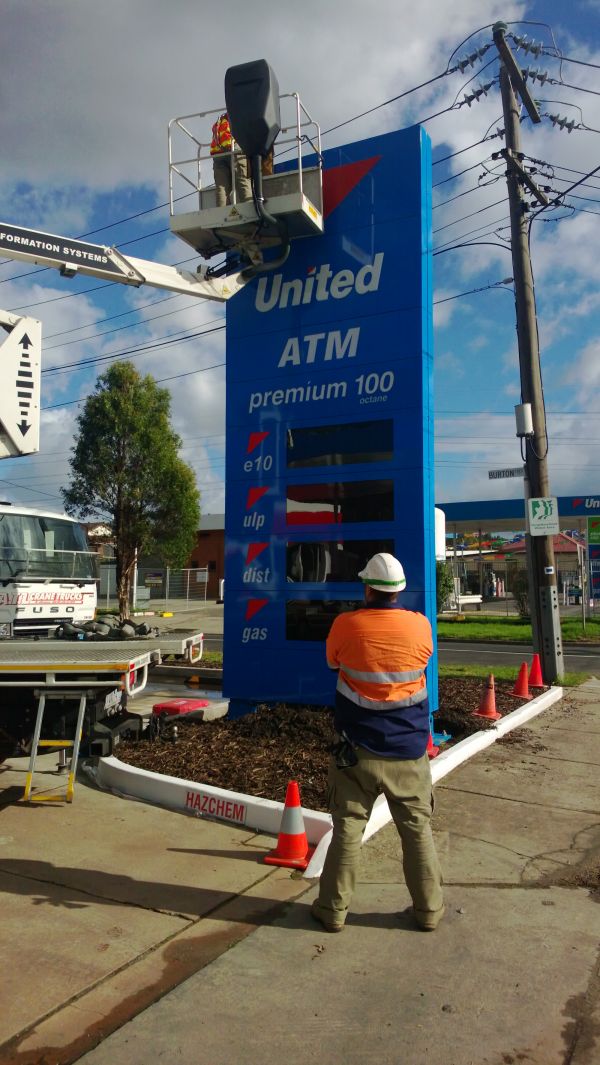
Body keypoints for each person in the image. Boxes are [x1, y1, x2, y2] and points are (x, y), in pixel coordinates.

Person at [311, 552, 444, 934]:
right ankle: (429, 911)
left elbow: (333, 664)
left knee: (349, 828)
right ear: (399, 590)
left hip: (357, 750)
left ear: (367, 588)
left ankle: (333, 910)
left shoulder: (346, 625)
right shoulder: (420, 626)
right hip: (409, 750)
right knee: (417, 829)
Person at [210, 112, 252, 207]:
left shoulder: (220, 119)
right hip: (234, 150)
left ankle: (221, 213)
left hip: (218, 155)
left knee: (221, 187)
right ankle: (249, 208)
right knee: (242, 181)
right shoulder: (239, 115)